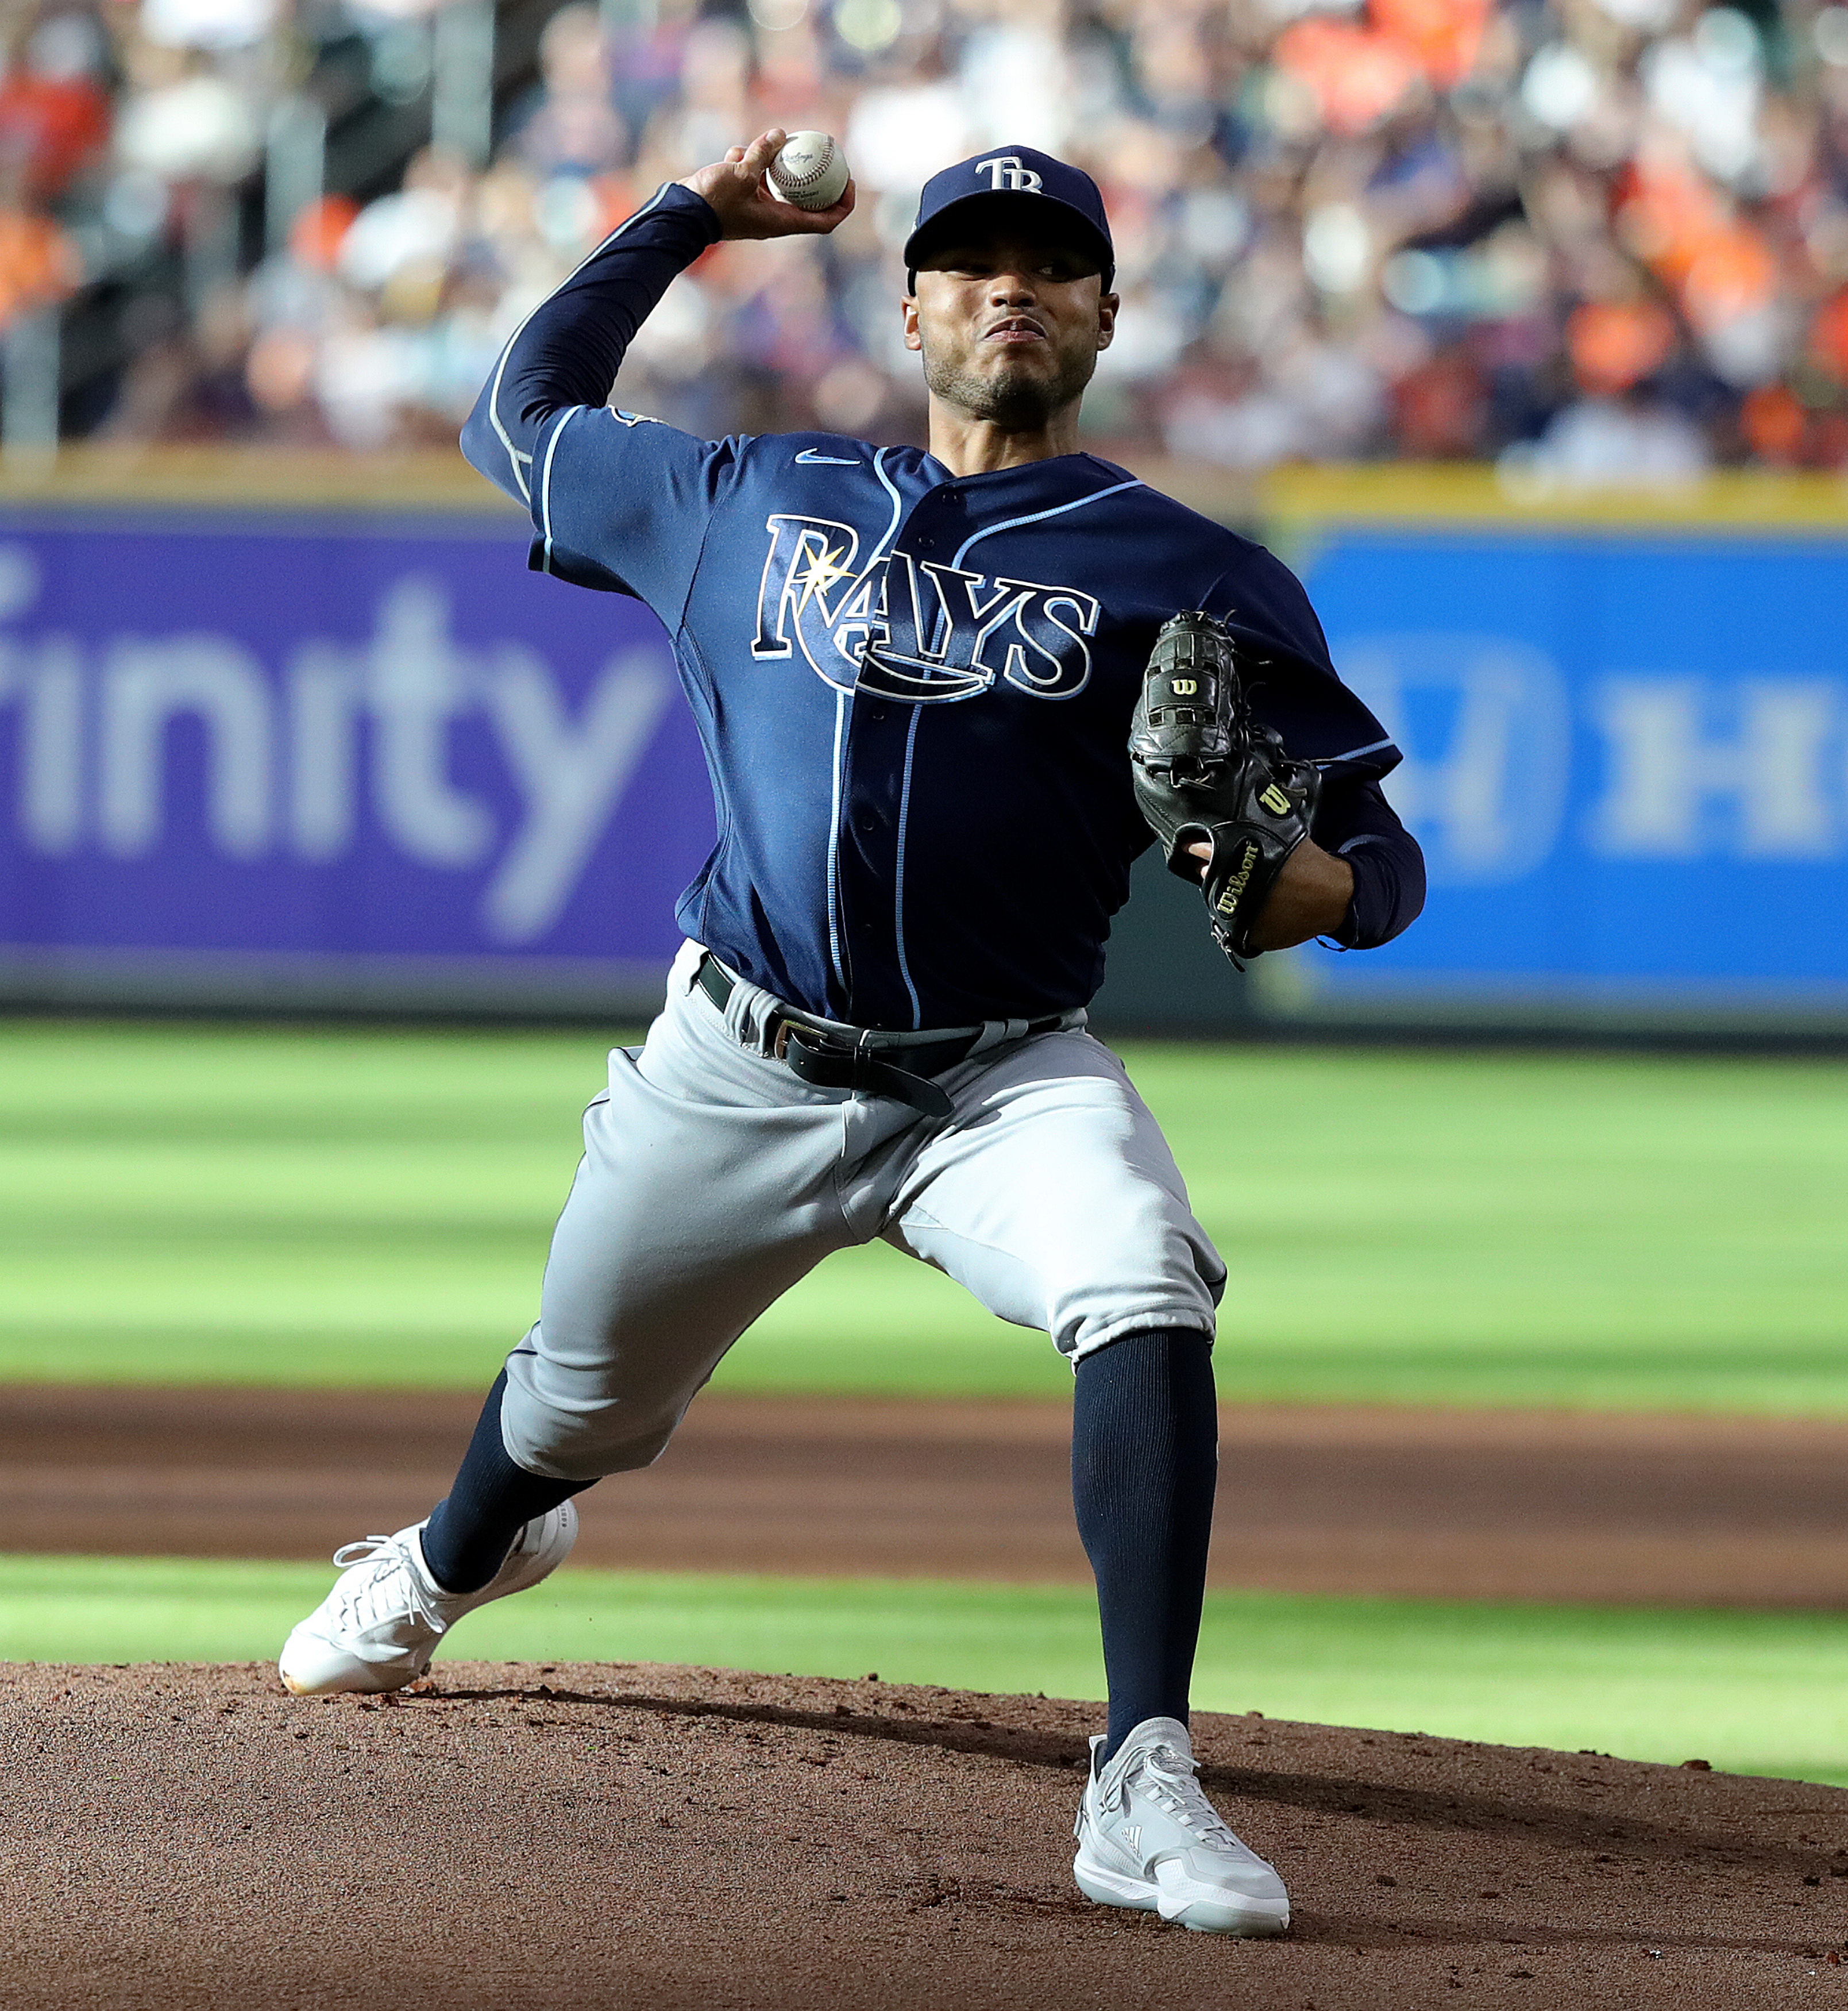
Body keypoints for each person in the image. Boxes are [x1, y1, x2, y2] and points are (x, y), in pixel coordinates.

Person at [278, 132, 1425, 1937]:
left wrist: (1333, 895)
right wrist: (686, 220)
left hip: (997, 1076)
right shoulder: (754, 489)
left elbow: (1378, 847)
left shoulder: (1188, 569)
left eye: (1049, 265)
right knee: (575, 1400)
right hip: (735, 1060)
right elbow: (523, 415)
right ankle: (442, 1555)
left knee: (1141, 1269)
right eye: (970, 261)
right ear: (909, 308)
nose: (1008, 288)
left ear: (1106, 314)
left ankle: (1141, 1770)